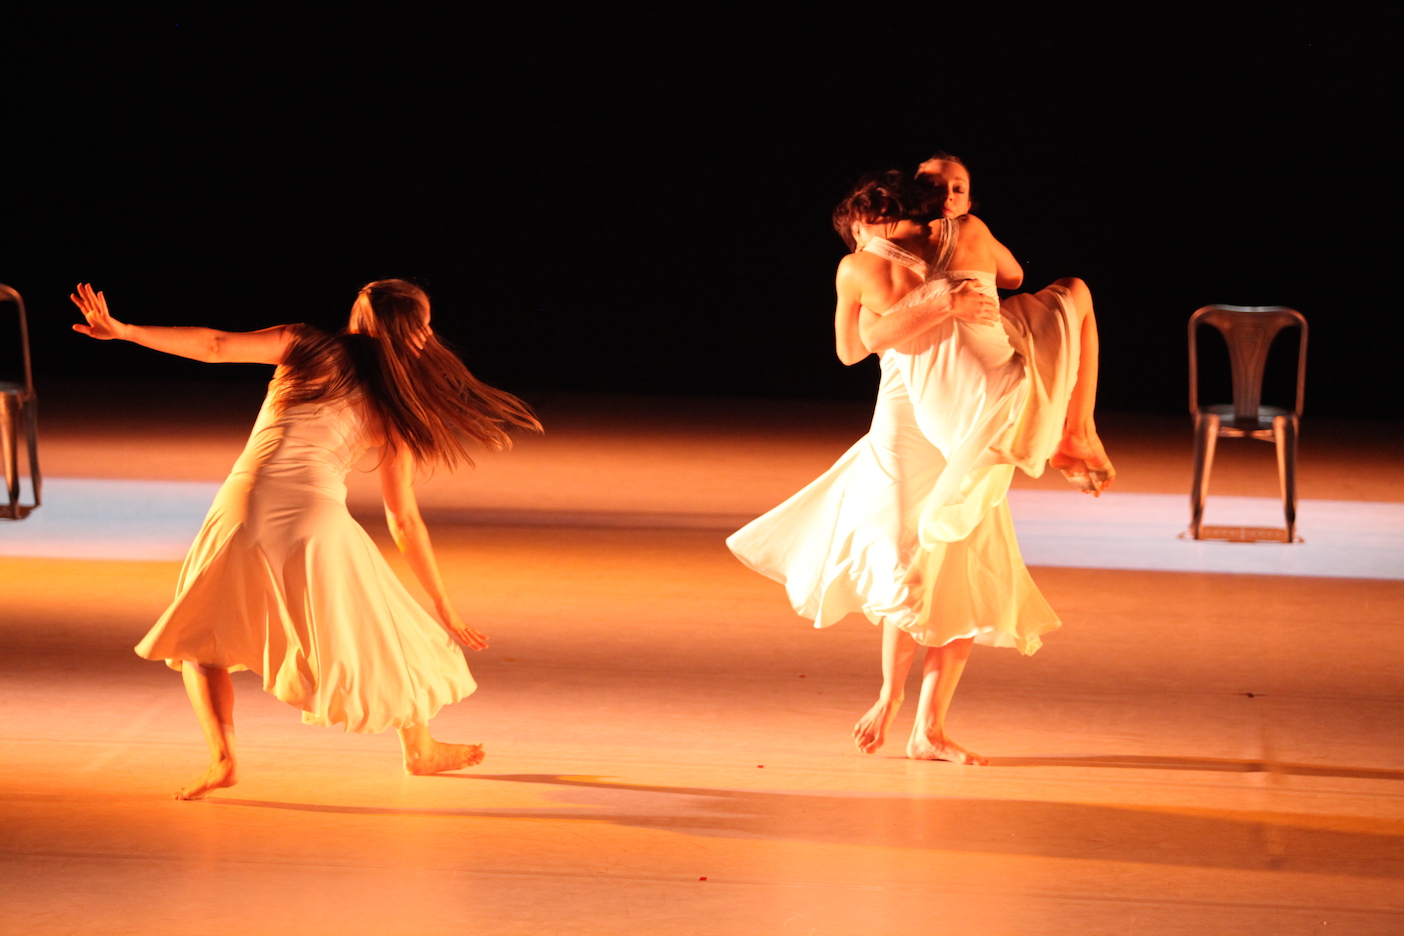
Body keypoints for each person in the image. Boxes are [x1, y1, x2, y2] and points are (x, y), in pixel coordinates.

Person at [70, 279, 541, 799]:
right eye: (425, 326)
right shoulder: (396, 404)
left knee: (202, 637)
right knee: (384, 628)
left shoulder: (305, 346)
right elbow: (403, 518)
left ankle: (224, 760)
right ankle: (420, 747)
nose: (429, 336)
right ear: (411, 332)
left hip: (241, 505)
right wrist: (444, 606)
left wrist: (125, 331)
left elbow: (214, 346)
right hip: (314, 519)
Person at [728, 165, 1112, 764]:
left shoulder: (912, 248)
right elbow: (874, 340)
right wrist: (941, 297)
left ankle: (922, 723)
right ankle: (902, 706)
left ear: (862, 221)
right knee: (915, 562)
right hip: (924, 411)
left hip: (958, 407)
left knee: (948, 563)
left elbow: (855, 345)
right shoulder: (915, 250)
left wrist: (942, 288)